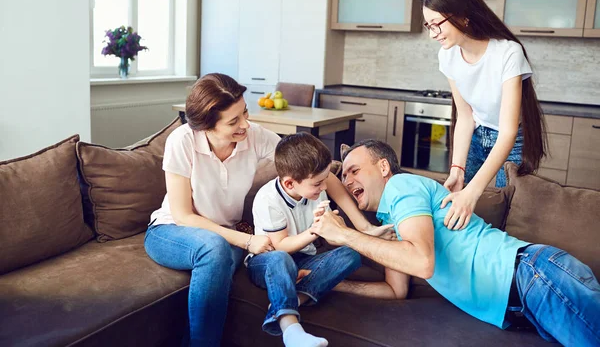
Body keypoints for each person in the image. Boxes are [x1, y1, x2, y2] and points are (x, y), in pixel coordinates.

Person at [311, 139, 600, 347]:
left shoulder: (402, 186)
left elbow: (422, 262)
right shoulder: (395, 220)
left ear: (384, 167)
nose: (347, 180)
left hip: (532, 277)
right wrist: (332, 282)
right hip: (522, 305)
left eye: (354, 170)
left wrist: (346, 235)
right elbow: (395, 291)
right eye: (344, 175)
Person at [144, 73, 281, 347]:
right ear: (206, 125)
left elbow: (307, 161)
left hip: (222, 236)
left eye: (244, 112)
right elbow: (183, 215)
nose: (246, 124)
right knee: (215, 249)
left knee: (218, 252)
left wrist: (361, 225)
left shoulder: (254, 137)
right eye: (234, 121)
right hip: (170, 231)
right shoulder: (181, 141)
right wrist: (247, 240)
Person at [246, 133, 404, 347]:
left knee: (351, 253)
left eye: (325, 180)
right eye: (318, 183)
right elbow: (280, 246)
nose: (324, 188)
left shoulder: (315, 190)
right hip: (268, 261)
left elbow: (336, 239)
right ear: (290, 184)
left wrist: (355, 233)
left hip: (304, 260)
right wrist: (315, 230)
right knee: (280, 259)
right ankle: (290, 328)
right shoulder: (268, 200)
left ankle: (292, 299)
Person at [421, 0, 547, 231]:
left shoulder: (507, 53)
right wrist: (457, 170)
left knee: (504, 216)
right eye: (428, 25)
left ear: (462, 15)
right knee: (460, 209)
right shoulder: (447, 56)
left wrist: (473, 192)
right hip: (477, 135)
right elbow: (465, 117)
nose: (433, 34)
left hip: (511, 141)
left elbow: (508, 131)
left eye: (437, 24)